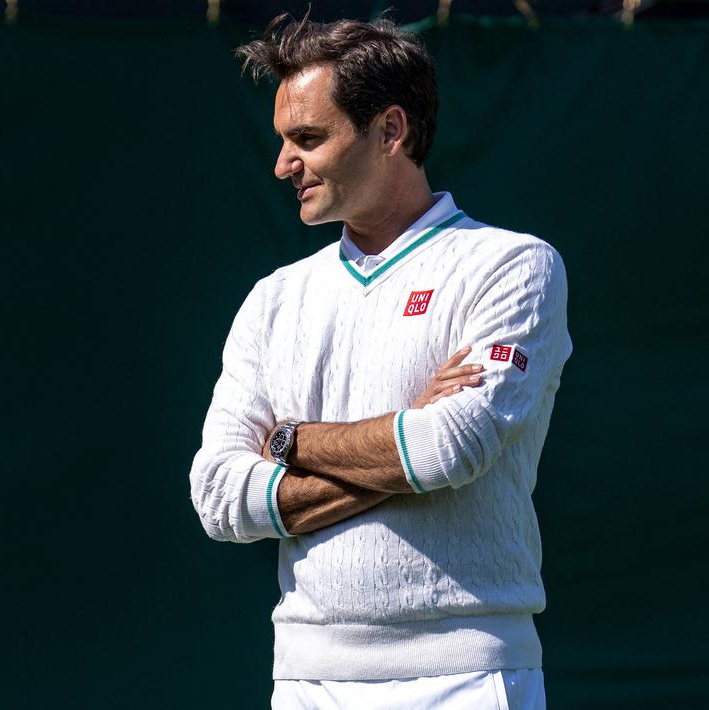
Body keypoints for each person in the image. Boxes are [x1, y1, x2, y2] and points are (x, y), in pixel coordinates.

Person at [189, 16, 571, 709]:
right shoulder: (273, 299)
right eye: (282, 141)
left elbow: (448, 449)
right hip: (304, 681)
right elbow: (218, 498)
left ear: (390, 131)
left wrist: (288, 442)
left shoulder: (513, 265)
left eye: (307, 138)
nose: (282, 164)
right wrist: (403, 439)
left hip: (470, 675)